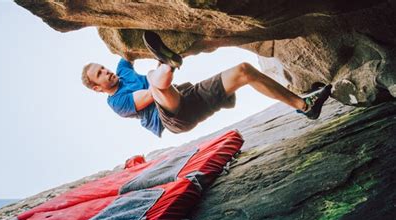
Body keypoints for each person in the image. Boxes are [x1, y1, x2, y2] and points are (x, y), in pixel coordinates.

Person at [81, 31, 331, 137]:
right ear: (96, 87)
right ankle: (167, 63)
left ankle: (305, 106)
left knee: (244, 71)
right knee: (157, 88)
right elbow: (148, 95)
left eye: (103, 67)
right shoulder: (117, 102)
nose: (106, 72)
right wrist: (159, 68)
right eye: (100, 74)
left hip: (188, 96)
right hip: (172, 118)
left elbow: (126, 51)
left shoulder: (122, 72)